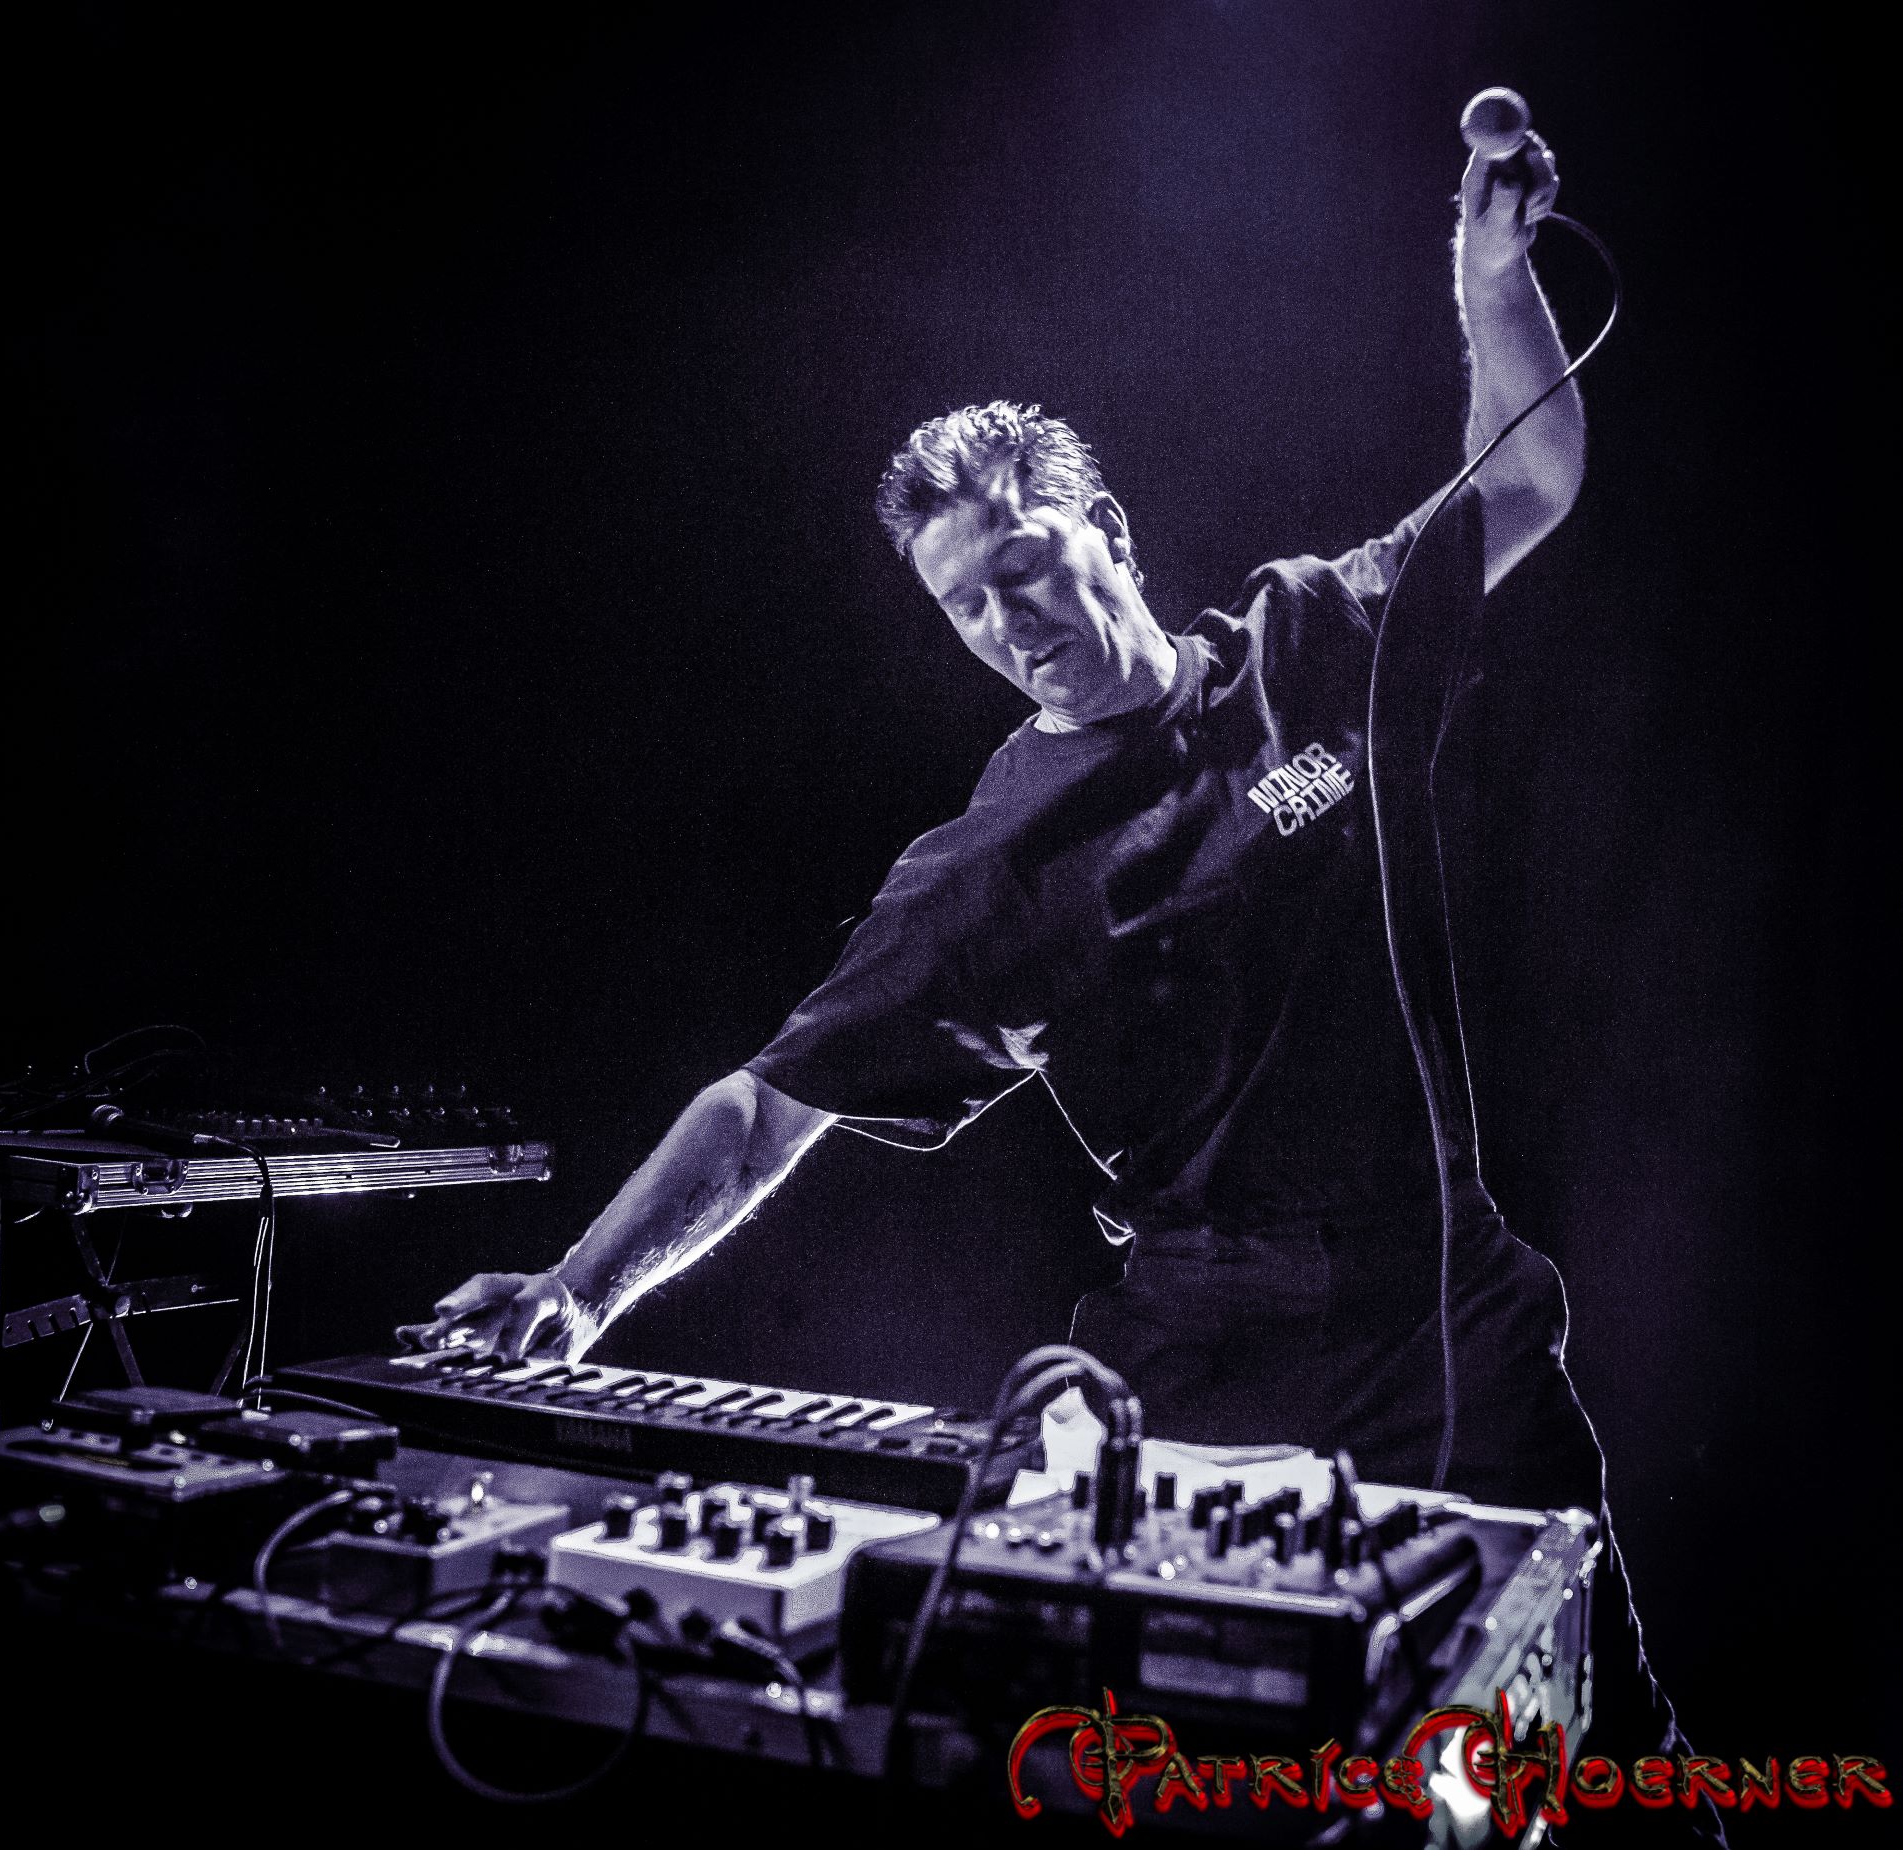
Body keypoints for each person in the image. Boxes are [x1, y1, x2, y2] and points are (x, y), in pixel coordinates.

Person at [402, 131, 1724, 1842]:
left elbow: (1530, 474)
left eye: (1021, 562)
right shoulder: (988, 874)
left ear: (1105, 526)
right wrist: (577, 1291)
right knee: (1236, 1789)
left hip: (1457, 1303)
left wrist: (1489, 281)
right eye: (963, 604)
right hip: (1212, 1348)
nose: (1005, 618)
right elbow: (762, 1107)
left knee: (1601, 1766)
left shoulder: (1308, 640)